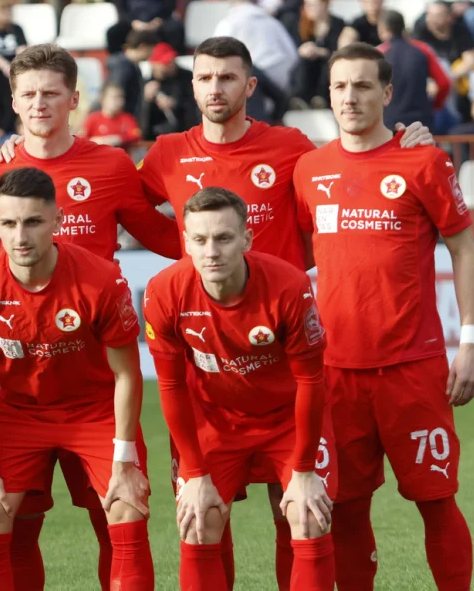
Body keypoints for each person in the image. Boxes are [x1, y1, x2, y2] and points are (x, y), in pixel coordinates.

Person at [132, 34, 431, 590]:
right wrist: (183, 252)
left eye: (227, 78)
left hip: (282, 356)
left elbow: (345, 173)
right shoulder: (169, 151)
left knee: (296, 510)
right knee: (202, 517)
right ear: (191, 84)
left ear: (249, 85)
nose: (215, 88)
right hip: (211, 377)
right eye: (204, 77)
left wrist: (403, 141)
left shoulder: (290, 145)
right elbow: (121, 203)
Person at [0, 44, 180, 591]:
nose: (40, 103)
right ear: (13, 101)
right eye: (29, 94)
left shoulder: (108, 165)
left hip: (96, 387)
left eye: (51, 93)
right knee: (10, 523)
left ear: (74, 99)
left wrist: (253, 246)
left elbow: (161, 237)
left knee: (119, 513)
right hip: (19, 391)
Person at [294, 41, 474, 591]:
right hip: (336, 370)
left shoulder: (423, 160)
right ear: (327, 94)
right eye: (339, 87)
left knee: (437, 501)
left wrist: (469, 341)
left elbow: (464, 250)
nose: (349, 98)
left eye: (362, 86)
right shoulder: (309, 168)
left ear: (388, 93)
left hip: (413, 367)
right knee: (347, 509)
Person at [0, 166, 153, 591]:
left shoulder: (101, 279)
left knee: (125, 505)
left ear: (58, 221)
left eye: (33, 222)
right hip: (16, 411)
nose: (20, 237)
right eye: (8, 224)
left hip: (93, 408)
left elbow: (126, 373)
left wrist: (124, 461)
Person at [147, 186, 336, 591]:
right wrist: (194, 473)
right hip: (215, 420)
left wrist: (303, 470)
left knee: (309, 516)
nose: (211, 251)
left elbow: (310, 380)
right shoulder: (164, 291)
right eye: (199, 240)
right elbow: (171, 385)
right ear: (186, 242)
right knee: (199, 520)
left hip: (288, 419)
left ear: (246, 239)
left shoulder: (289, 285)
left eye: (224, 237)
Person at [378, 11, 451, 131]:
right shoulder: (422, 49)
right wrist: (434, 106)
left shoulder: (379, 53)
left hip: (388, 120)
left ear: (382, 28)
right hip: (421, 121)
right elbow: (444, 83)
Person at [292, 0, 346, 109]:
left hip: (327, 66)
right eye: (307, 4)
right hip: (307, 67)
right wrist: (303, 50)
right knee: (305, 62)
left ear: (325, 4)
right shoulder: (300, 24)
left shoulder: (338, 24)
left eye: (313, 4)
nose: (309, 8)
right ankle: (300, 98)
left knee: (327, 64)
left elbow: (339, 51)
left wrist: (320, 51)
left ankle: (321, 98)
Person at [141, 42, 198, 138]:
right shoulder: (147, 83)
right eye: (165, 63)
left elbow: (194, 105)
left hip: (184, 131)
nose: (170, 65)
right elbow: (142, 120)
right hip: (156, 135)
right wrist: (147, 101)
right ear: (154, 64)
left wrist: (174, 104)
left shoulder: (186, 77)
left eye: (172, 60)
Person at [80, 84, 141, 149]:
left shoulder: (127, 118)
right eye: (115, 97)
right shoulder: (92, 118)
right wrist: (95, 141)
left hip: (120, 156)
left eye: (121, 97)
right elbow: (81, 139)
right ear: (103, 99)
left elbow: (136, 135)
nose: (120, 101)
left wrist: (119, 139)